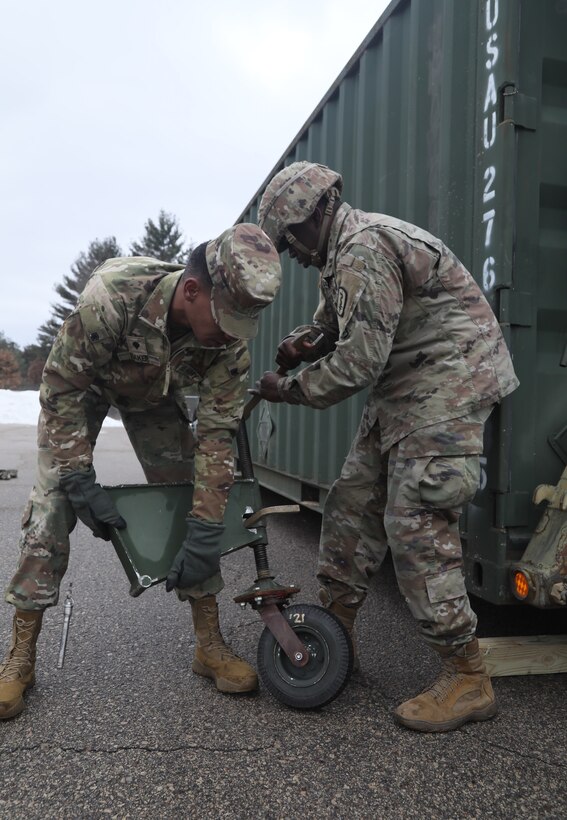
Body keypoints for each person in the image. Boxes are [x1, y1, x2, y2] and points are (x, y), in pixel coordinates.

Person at [254, 161, 519, 733]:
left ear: (318, 211)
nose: (291, 251)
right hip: (406, 386)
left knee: (415, 522)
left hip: (446, 385)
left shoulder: (362, 249)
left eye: (291, 235)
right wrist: (309, 339)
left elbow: (357, 364)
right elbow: (341, 321)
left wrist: (288, 388)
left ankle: (467, 676)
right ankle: (337, 631)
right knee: (351, 503)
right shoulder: (342, 256)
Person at [0, 223, 281, 720]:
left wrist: (206, 529)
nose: (233, 334)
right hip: (83, 391)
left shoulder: (229, 343)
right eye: (226, 318)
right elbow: (61, 388)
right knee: (53, 506)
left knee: (191, 506)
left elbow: (216, 442)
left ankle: (208, 645)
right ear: (191, 290)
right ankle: (20, 657)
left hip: (153, 398)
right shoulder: (112, 297)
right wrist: (78, 477)